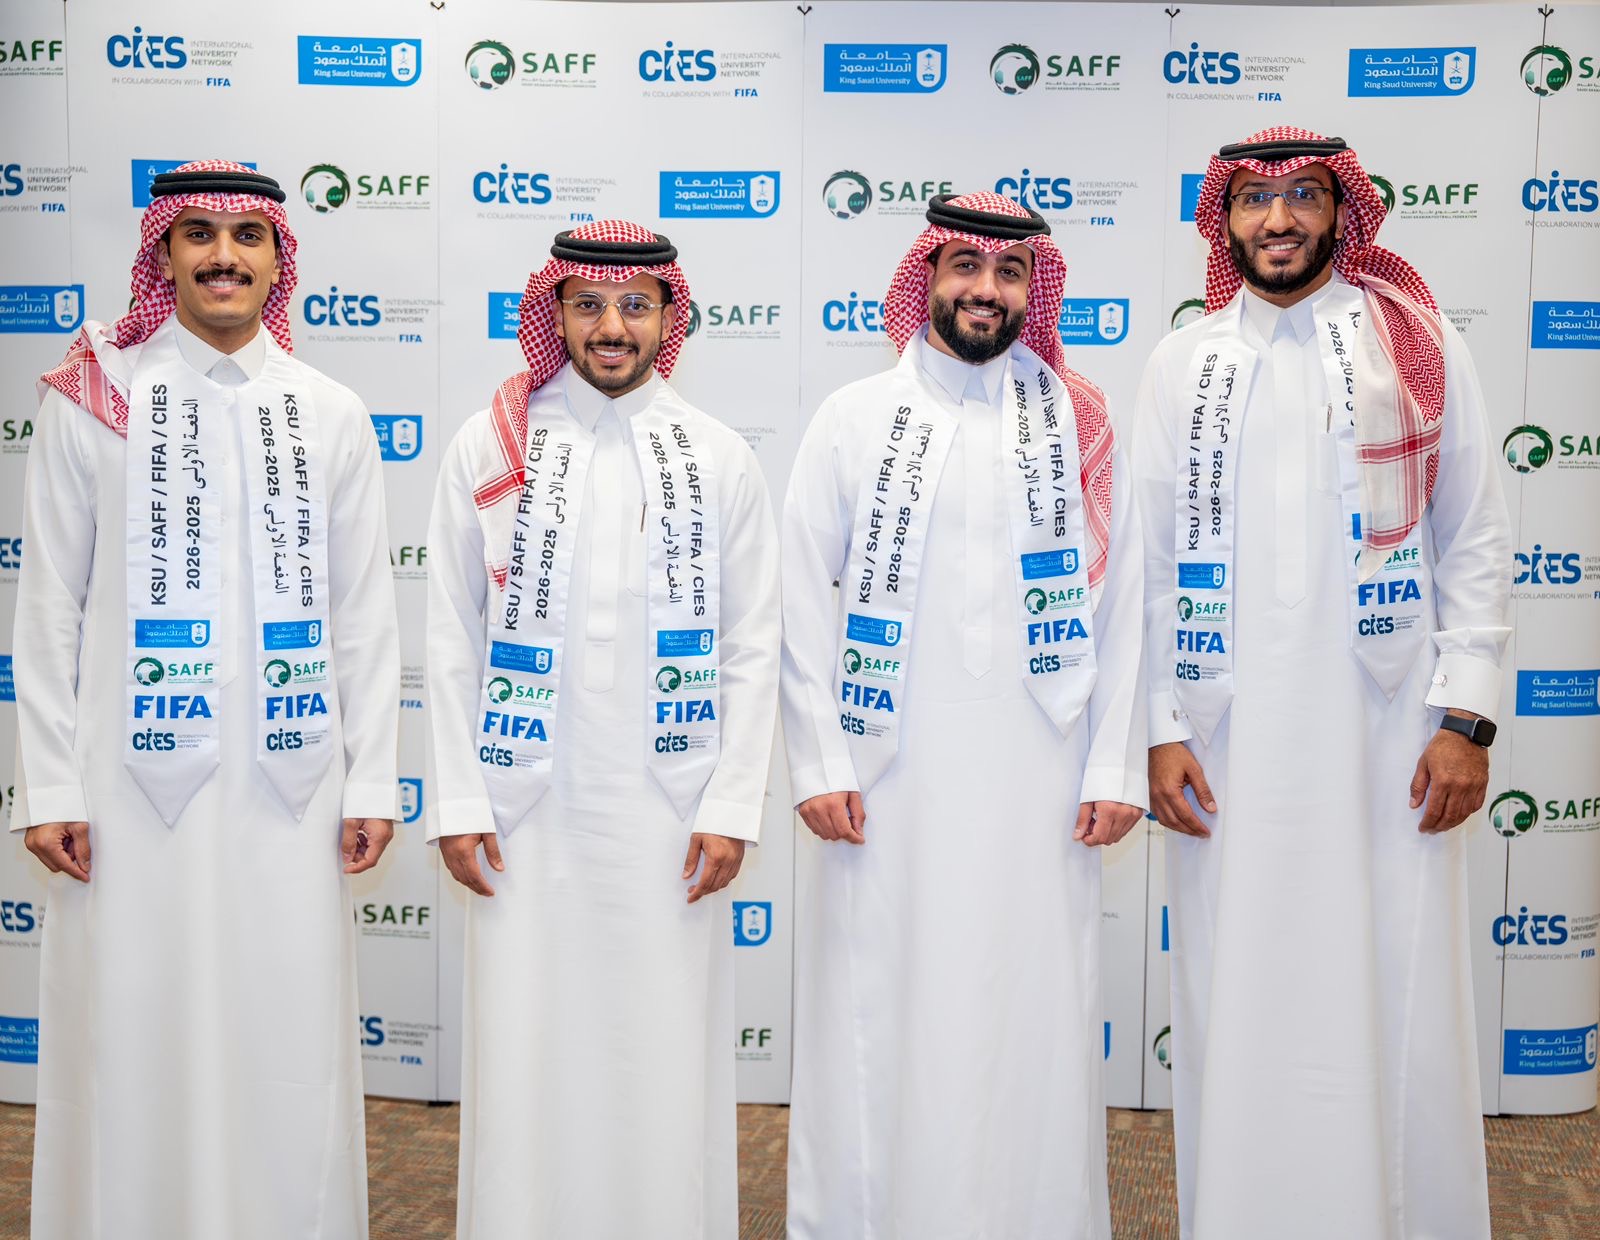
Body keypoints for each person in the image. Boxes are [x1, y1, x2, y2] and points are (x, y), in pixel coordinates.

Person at [1133, 127, 1510, 1239]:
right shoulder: (1182, 363)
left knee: (1392, 979)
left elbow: (1475, 535)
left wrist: (1467, 718)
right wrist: (1157, 727)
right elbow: (1149, 565)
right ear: (1224, 219)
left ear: (1343, 210)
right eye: (1255, 199)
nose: (1279, 219)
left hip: (1389, 734)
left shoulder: (1415, 345)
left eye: (1303, 195)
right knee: (1236, 984)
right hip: (1226, 739)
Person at [13, 160, 400, 1240]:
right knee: (131, 1027)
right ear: (163, 255)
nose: (223, 256)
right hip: (124, 796)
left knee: (285, 1028)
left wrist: (372, 778)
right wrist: (49, 786)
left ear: (278, 258)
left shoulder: (330, 412)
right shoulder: (94, 399)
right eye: (198, 235)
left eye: (247, 236)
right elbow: (47, 608)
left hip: (292, 791)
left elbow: (363, 613)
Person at [780, 192, 1147, 1239]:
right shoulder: (854, 417)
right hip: (886, 776)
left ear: (1034, 290)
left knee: (1033, 1008)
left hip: (1042, 769)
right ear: (928, 277)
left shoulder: (1077, 418)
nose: (987, 290)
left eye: (1009, 272)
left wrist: (1114, 765)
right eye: (965, 268)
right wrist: (817, 761)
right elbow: (799, 598)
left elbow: (1124, 599)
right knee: (884, 1003)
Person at [425, 220, 780, 1240]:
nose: (611, 326)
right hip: (521, 811)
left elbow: (752, 643)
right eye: (587, 305)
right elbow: (449, 635)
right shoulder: (492, 445)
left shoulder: (718, 456)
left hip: (670, 810)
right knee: (524, 1043)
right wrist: (457, 800)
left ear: (670, 316)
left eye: (634, 305)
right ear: (557, 313)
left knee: (660, 1045)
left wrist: (730, 805)